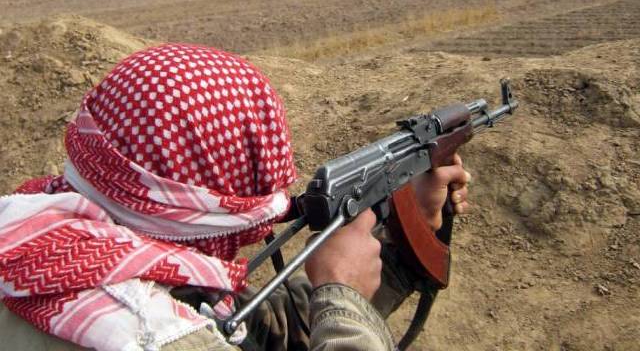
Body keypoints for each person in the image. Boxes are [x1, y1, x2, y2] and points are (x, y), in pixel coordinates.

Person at [0, 44, 470, 351]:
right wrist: (343, 299)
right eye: (244, 177)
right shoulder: (149, 332)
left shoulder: (45, 239)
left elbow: (254, 329)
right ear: (197, 198)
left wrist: (410, 234)